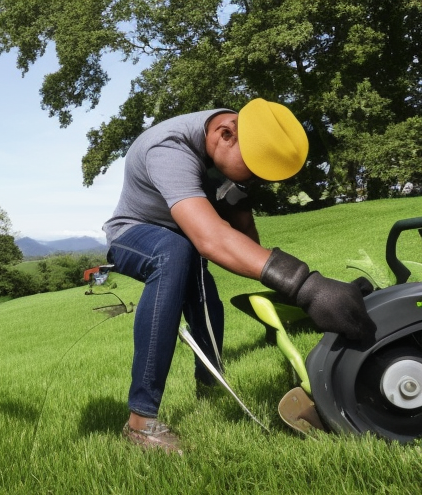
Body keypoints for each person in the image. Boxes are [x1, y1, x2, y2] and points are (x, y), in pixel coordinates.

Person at [102, 98, 377, 454]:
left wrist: (293, 291)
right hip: (133, 236)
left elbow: (246, 240)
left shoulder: (230, 148)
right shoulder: (168, 149)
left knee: (207, 302)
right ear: (226, 134)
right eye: (252, 170)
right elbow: (211, 238)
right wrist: (305, 284)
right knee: (175, 251)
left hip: (184, 241)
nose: (253, 181)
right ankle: (141, 422)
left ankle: (209, 386)